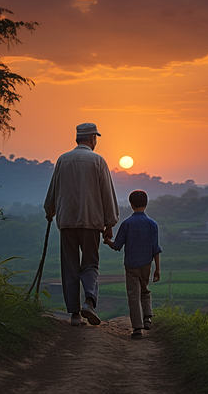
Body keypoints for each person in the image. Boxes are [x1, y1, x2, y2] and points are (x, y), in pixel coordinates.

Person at [44, 123, 119, 326]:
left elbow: (53, 189)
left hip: (67, 222)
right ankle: (89, 302)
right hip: (91, 222)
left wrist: (49, 211)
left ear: (78, 138)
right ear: (93, 138)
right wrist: (109, 223)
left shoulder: (63, 159)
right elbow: (107, 193)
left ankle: (75, 315)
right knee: (90, 264)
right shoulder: (98, 161)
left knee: (69, 266)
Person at [104, 190, 162, 339]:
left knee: (133, 296)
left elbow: (117, 246)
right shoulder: (153, 224)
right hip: (147, 264)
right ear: (146, 203)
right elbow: (155, 248)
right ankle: (147, 317)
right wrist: (157, 269)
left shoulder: (126, 224)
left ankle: (137, 328)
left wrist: (107, 241)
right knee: (144, 291)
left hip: (131, 266)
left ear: (131, 205)